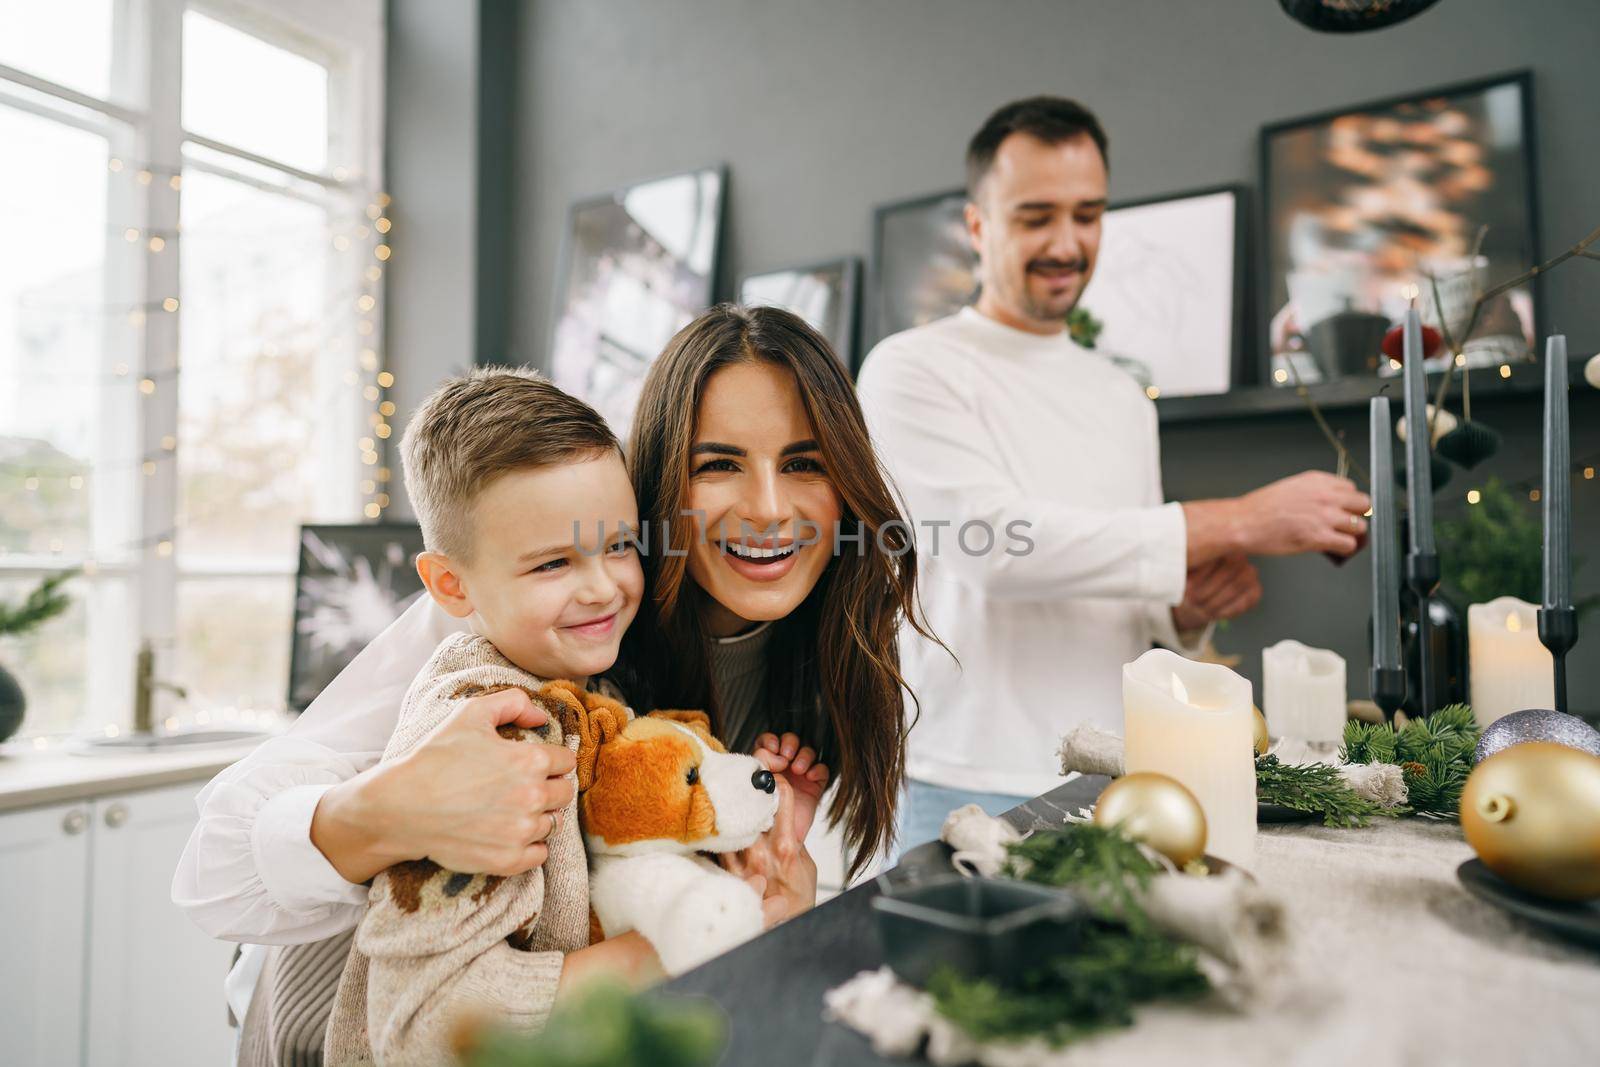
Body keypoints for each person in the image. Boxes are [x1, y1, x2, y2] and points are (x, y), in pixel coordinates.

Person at [173, 305, 930, 1061]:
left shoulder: (833, 636)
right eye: (719, 463)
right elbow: (215, 869)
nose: (769, 508)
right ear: (661, 482)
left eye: (804, 462)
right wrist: (386, 808)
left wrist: (760, 910)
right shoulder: (517, 625)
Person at [855, 96, 1372, 849]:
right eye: (1036, 217)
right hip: (960, 777)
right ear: (977, 226)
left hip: (1116, 774)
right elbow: (996, 548)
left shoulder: (1123, 396)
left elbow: (1126, 582)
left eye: (1088, 214)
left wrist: (1183, 614)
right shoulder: (910, 368)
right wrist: (1243, 518)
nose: (1067, 242)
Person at [322, 367, 670, 1063]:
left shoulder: (584, 680)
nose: (604, 586)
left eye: (619, 545)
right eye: (551, 565)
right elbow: (430, 1024)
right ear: (450, 583)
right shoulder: (493, 729)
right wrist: (670, 949)